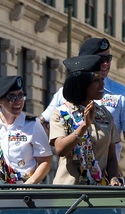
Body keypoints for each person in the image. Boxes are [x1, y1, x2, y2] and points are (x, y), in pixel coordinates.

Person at [43, 37, 125, 186]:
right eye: (101, 59)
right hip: (69, 189)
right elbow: (55, 141)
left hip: (101, 186)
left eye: (108, 58)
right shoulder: (62, 108)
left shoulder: (111, 107)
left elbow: (117, 151)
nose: (106, 64)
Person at [48, 55, 121, 185]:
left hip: (98, 192)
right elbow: (60, 149)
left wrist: (114, 178)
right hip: (68, 192)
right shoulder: (61, 113)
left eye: (102, 79)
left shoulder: (105, 115)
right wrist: (84, 126)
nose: (102, 84)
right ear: (82, 84)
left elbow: (111, 158)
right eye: (96, 80)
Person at [0, 75, 52, 184]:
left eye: (21, 95)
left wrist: (29, 184)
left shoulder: (33, 125)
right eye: (12, 97)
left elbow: (45, 162)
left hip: (25, 194)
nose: (18, 101)